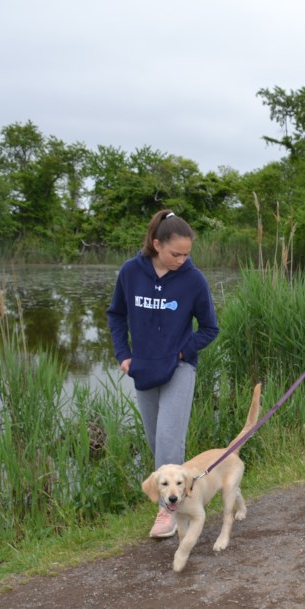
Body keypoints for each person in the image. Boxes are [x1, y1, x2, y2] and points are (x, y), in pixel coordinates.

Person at [107, 209, 219, 538]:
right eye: (175, 254)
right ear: (157, 244)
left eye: (186, 254)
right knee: (156, 441)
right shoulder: (131, 272)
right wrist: (123, 354)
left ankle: (167, 513)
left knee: (170, 440)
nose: (182, 260)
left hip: (179, 367)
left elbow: (210, 328)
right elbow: (116, 315)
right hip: (143, 368)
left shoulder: (193, 279)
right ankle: (182, 499)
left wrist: (182, 352)